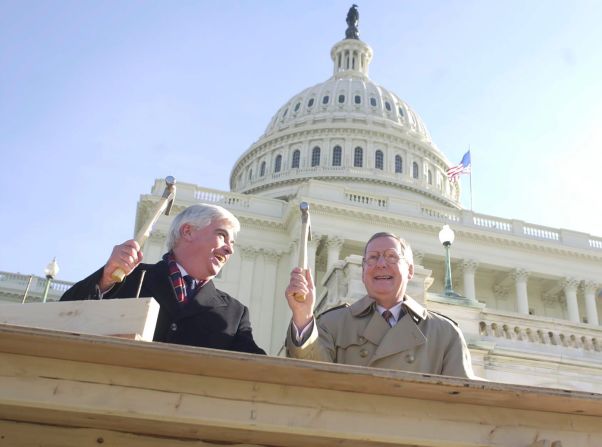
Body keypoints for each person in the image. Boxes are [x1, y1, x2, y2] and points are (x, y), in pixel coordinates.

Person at [61, 203, 265, 355]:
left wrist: (298, 320)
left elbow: (258, 368)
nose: (230, 249)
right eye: (222, 235)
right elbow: (63, 317)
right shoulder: (125, 279)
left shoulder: (234, 313)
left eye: (233, 243)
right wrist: (105, 278)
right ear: (188, 231)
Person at [284, 232, 475, 378]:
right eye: (373, 258)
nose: (381, 264)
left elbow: (461, 401)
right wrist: (303, 316)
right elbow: (312, 375)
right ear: (363, 271)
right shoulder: (333, 324)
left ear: (409, 270)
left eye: (391, 256)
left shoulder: (444, 333)